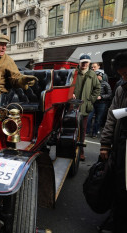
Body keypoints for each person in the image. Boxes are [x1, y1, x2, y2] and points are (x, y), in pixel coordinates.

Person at [100, 51, 127, 232]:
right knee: (119, 185)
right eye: (121, 74)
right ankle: (116, 221)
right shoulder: (121, 88)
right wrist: (105, 144)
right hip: (121, 144)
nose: (123, 77)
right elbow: (111, 116)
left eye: (125, 73)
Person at [73, 54, 101, 161]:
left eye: (86, 62)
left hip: (85, 107)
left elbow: (97, 88)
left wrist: (90, 100)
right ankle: (72, 149)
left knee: (83, 130)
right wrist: (71, 94)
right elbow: (69, 85)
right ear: (79, 63)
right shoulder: (74, 73)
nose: (84, 64)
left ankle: (81, 152)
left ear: (89, 63)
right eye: (83, 62)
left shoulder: (92, 74)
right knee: (73, 129)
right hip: (73, 106)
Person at [86, 71, 112, 138]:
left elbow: (109, 94)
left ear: (100, 76)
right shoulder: (93, 83)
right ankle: (87, 131)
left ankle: (94, 133)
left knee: (98, 119)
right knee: (89, 117)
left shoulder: (106, 84)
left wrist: (101, 97)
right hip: (93, 102)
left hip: (102, 104)